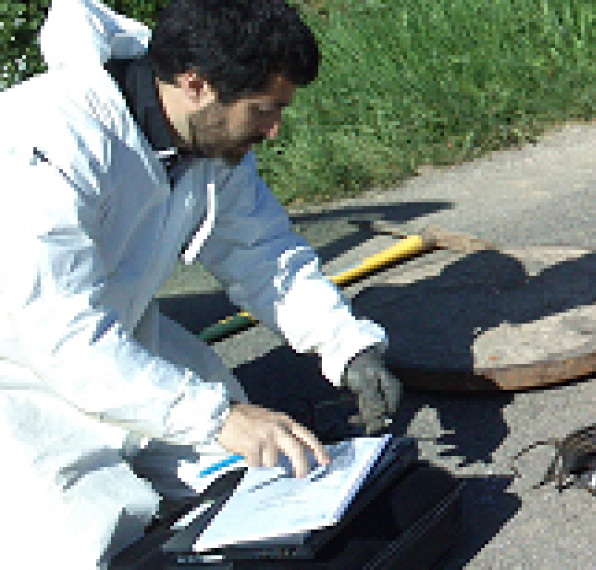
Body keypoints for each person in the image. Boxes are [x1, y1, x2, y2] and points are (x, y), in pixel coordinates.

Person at [0, 0, 402, 566]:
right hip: (18, 374)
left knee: (261, 477)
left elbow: (261, 250)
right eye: (264, 111)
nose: (274, 129)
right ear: (195, 84)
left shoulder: (208, 136)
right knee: (90, 542)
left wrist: (345, 343)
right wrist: (217, 417)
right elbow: (62, 335)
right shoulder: (44, 144)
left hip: (117, 339)